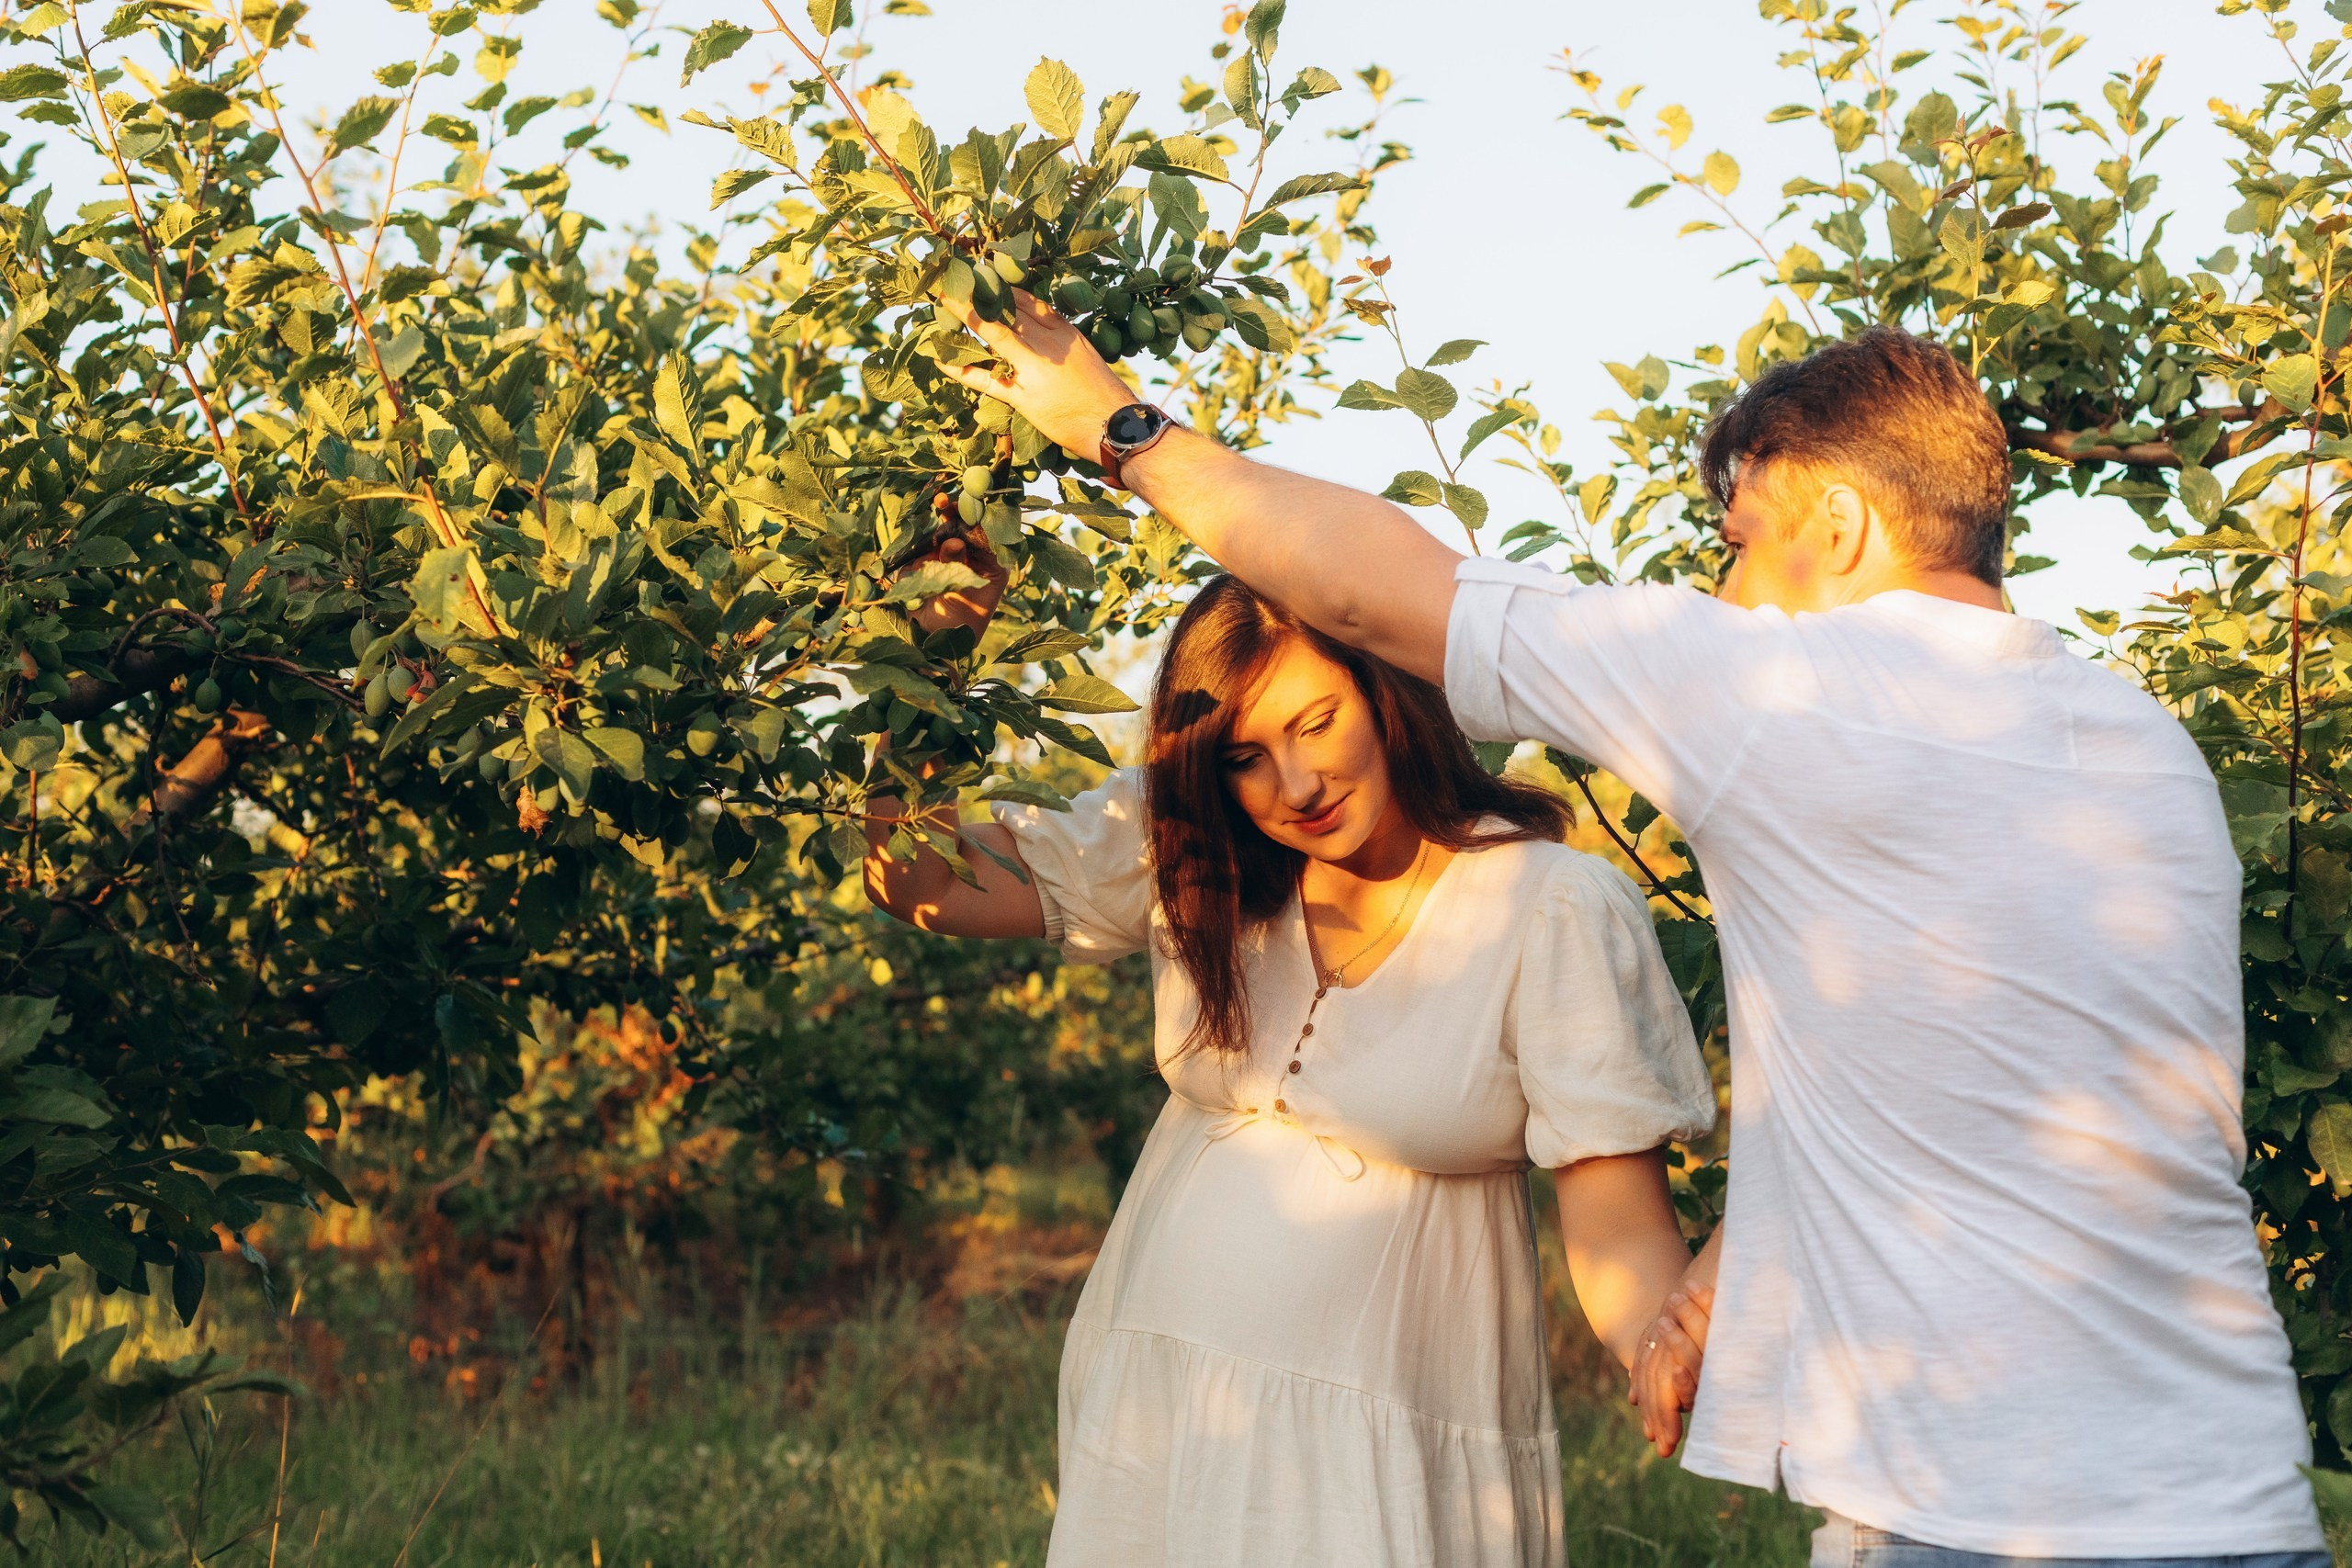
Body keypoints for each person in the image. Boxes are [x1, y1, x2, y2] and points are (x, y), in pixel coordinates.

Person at [935, 304, 2331, 1567]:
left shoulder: (1788, 695)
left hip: (1975, 1512)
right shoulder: (2141, 748)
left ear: (1839, 521)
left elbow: (1365, 595)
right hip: (2228, 1498)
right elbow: (1987, 1068)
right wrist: (1735, 1258)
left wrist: (1117, 426)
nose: (1728, 594)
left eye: (1741, 542)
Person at [864, 554, 1717, 1567]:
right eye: (1245, 756)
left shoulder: (1549, 906)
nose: (1297, 784)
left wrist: (1669, 1341)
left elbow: (1617, 1225)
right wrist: (931, 652)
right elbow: (919, 881)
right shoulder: (1192, 849)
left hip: (1380, 1443)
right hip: (1158, 1405)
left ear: (1386, 695)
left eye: (1316, 723)